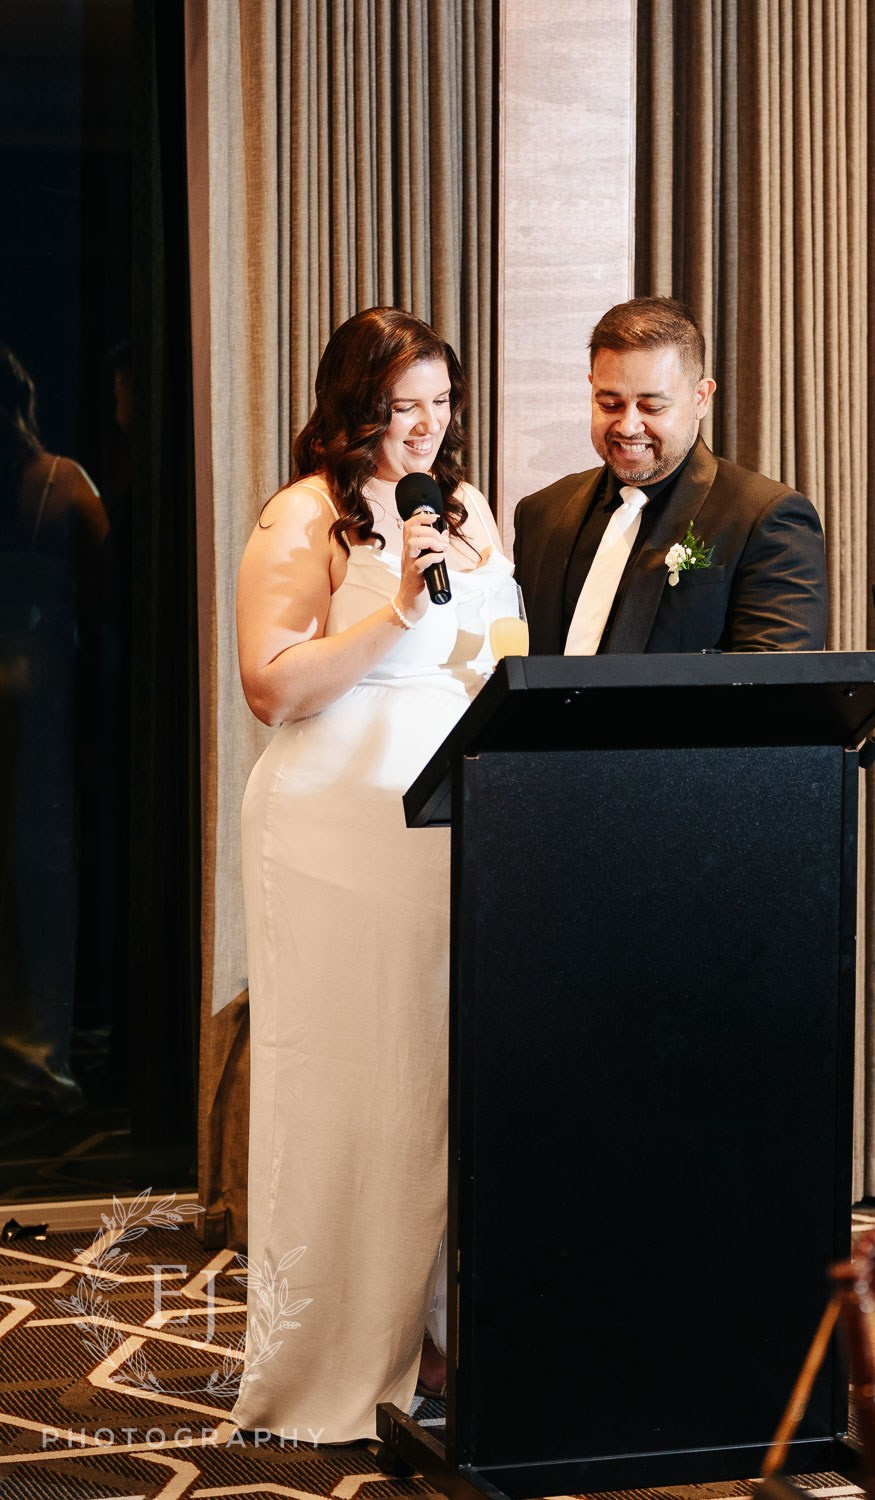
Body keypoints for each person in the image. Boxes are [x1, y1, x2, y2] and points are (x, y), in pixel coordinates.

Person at [233, 307, 517, 1443]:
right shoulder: (303, 515)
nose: (426, 428)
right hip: (336, 835)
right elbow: (271, 687)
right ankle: (341, 1361)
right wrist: (397, 605)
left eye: (441, 405)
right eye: (404, 407)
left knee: (443, 1084)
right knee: (357, 1087)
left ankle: (439, 1341)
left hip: (458, 819)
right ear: (354, 404)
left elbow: (493, 648)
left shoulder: (464, 506)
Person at [513, 296, 827, 654]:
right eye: (609, 404)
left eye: (652, 406)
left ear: (700, 398)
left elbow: (776, 692)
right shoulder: (540, 513)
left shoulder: (767, 518)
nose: (628, 426)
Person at [0, 341, 108, 1115]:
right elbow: (116, 587)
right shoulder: (58, 482)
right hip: (41, 686)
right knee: (39, 862)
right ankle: (39, 1059)